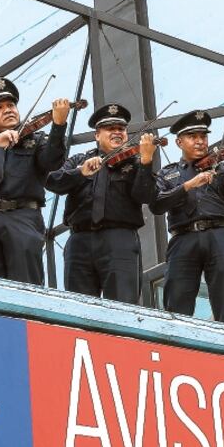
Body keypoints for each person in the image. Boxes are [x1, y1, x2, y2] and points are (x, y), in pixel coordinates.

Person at [0, 77, 69, 284]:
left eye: (11, 105)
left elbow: (52, 161)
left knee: (26, 284)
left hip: (22, 218)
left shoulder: (36, 140)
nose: (8, 110)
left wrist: (59, 126)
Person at [152, 110, 224, 322]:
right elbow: (157, 204)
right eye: (193, 137)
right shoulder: (168, 173)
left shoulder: (222, 168)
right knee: (177, 303)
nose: (200, 142)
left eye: (203, 136)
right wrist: (188, 185)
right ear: (179, 142)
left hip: (218, 234)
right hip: (182, 238)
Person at [45, 103, 157, 303]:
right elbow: (53, 181)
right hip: (80, 239)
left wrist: (146, 162)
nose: (117, 133)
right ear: (97, 135)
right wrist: (80, 172)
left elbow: (146, 196)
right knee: (79, 306)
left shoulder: (135, 163)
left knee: (123, 303)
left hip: (119, 239)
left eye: (121, 129)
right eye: (110, 129)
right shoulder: (79, 160)